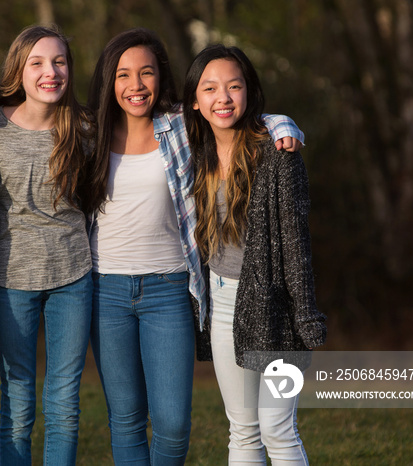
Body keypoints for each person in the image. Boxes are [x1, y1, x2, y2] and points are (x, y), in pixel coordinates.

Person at [86, 28, 305, 465]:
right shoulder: (88, 134)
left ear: (162, 78)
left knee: (176, 426)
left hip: (170, 288)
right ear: (109, 80)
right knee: (129, 420)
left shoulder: (179, 126)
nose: (136, 84)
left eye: (146, 72)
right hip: (106, 289)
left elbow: (237, 112)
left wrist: (285, 126)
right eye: (124, 74)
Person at [183, 44, 327, 465]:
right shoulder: (195, 155)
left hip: (277, 306)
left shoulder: (279, 155)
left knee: (277, 427)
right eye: (210, 88)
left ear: (249, 92)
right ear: (195, 100)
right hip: (223, 301)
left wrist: (304, 317)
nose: (223, 97)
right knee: (242, 430)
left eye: (234, 86)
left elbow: (297, 244)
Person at [0, 25, 95, 466]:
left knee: (65, 404)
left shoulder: (85, 129)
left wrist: (277, 121)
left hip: (73, 278)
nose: (50, 71)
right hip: (9, 280)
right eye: (37, 62)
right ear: (19, 70)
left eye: (59, 61)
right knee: (17, 402)